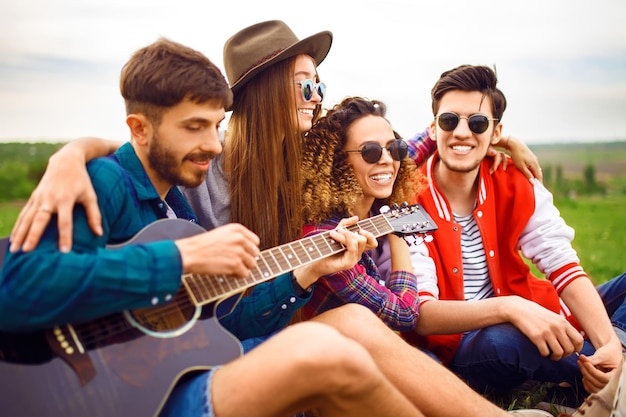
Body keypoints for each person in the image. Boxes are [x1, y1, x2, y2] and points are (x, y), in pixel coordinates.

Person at [2, 21, 556, 417]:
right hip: (117, 383)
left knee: (359, 327)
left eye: (214, 125)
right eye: (305, 86)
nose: (211, 144)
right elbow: (15, 286)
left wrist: (488, 135)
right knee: (324, 350)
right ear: (264, 96)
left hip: (197, 347)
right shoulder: (153, 187)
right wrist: (77, 156)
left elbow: (382, 150)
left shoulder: (246, 174)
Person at [402, 64, 626, 404]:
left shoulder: (512, 178)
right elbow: (422, 315)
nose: (462, 132)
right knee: (505, 338)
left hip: (541, 313)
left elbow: (562, 265)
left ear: (496, 133)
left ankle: (612, 356)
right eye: (450, 121)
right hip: (468, 343)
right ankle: (609, 374)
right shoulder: (406, 200)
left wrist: (608, 342)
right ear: (433, 128)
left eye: (477, 123)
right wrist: (511, 308)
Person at [299, 96, 425, 331]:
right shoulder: (327, 238)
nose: (388, 160)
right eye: (371, 152)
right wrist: (399, 232)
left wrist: (506, 141)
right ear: (338, 161)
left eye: (395, 148)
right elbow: (404, 314)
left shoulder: (375, 204)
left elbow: (425, 142)